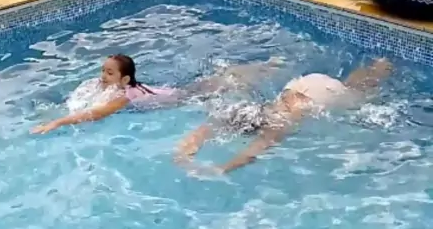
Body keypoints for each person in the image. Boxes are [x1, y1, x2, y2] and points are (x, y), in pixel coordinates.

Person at [175, 58, 392, 175]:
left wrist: (220, 169)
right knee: (355, 87)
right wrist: (183, 157)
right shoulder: (257, 110)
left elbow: (254, 151)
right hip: (304, 84)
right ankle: (379, 63)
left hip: (322, 95)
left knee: (359, 93)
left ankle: (384, 65)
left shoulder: (279, 122)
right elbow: (204, 131)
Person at [31, 53, 285, 135]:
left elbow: (97, 114)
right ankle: (264, 66)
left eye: (109, 73)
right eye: (103, 71)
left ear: (124, 79)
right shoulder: (113, 87)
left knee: (222, 83)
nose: (103, 76)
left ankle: (268, 67)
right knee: (219, 80)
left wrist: (58, 122)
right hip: (168, 91)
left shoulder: (124, 96)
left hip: (181, 97)